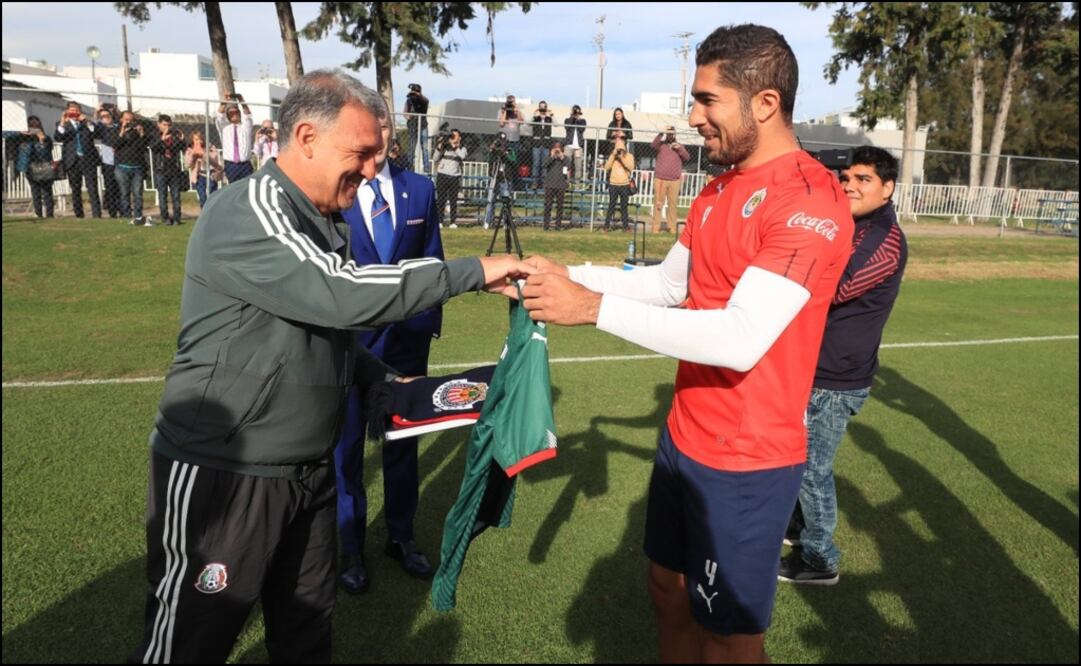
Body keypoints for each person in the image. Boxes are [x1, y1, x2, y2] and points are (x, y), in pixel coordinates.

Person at [128, 69, 532, 664]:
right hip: (226, 471)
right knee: (190, 642)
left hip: (308, 476)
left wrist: (380, 381)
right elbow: (339, 293)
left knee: (306, 636)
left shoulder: (324, 220)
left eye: (377, 155)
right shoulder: (251, 209)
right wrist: (476, 270)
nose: (372, 169)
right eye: (361, 152)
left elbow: (324, 328)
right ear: (307, 137)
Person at [520, 24, 854, 663]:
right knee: (667, 590)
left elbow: (740, 337)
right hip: (685, 436)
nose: (692, 116)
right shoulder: (718, 189)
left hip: (747, 459)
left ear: (765, 104)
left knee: (727, 636)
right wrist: (565, 275)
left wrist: (590, 308)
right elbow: (672, 285)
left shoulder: (811, 198)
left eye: (707, 100)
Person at [778, 146, 907, 586]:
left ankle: (821, 560)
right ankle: (799, 530)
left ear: (888, 189)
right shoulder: (849, 224)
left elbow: (835, 287)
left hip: (838, 377)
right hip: (815, 367)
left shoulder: (883, 239)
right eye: (847, 177)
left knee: (813, 466)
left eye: (864, 180)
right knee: (800, 457)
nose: (850, 185)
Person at [335, 114, 445, 594]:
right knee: (346, 451)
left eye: (384, 128)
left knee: (403, 447)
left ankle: (400, 536)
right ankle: (349, 546)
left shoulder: (419, 189)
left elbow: (432, 259)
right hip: (349, 345)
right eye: (368, 130)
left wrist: (426, 324)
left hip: (405, 346)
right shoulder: (335, 191)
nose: (377, 141)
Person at [53, 101, 102, 219]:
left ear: (80, 112)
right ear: (67, 112)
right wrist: (62, 122)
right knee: (75, 189)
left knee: (92, 188)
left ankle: (96, 215)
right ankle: (79, 214)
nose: (74, 113)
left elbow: (96, 134)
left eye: (77, 111)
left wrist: (87, 121)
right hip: (72, 161)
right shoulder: (62, 124)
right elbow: (58, 137)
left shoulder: (86, 123)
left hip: (88, 159)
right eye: (72, 111)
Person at [4, 116, 55, 218]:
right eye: (31, 125)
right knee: (35, 190)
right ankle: (38, 213)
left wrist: (42, 139)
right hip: (30, 166)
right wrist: (20, 132)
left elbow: (46, 152)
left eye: (36, 125)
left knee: (46, 191)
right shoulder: (21, 137)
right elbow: (5, 135)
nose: (33, 128)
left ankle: (50, 214)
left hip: (44, 166)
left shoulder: (46, 138)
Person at [651, 125, 690, 234]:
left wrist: (680, 148)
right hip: (661, 179)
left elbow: (687, 157)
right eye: (668, 133)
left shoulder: (679, 146)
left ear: (675, 134)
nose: (670, 135)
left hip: (675, 180)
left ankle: (672, 228)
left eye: (672, 133)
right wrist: (661, 132)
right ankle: (655, 228)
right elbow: (653, 145)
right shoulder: (661, 145)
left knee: (672, 205)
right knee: (658, 204)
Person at [114, 111, 150, 226]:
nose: (129, 122)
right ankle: (126, 215)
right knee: (124, 193)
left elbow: (143, 147)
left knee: (138, 193)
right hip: (122, 167)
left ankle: (138, 216)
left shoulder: (136, 131)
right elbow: (115, 145)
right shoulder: (116, 130)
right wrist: (122, 131)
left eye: (131, 120)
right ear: (121, 120)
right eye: (126, 119)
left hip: (136, 167)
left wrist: (141, 133)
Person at [149, 114, 186, 226]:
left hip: (173, 169)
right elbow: (153, 148)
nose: (167, 127)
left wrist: (182, 140)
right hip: (161, 169)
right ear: (159, 124)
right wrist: (162, 138)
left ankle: (177, 218)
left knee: (176, 195)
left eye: (169, 125)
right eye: (164, 125)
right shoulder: (155, 135)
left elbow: (183, 148)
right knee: (162, 196)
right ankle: (165, 218)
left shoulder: (174, 135)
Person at [215, 93, 254, 183]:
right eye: (231, 113)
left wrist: (241, 100)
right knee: (234, 188)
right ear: (228, 116)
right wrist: (224, 101)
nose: (234, 114)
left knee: (247, 188)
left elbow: (248, 116)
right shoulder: (224, 128)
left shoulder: (245, 127)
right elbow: (219, 116)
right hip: (231, 165)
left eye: (236, 112)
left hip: (245, 165)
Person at [433, 128, 467, 227]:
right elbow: (435, 158)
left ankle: (452, 221)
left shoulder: (462, 148)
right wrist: (439, 145)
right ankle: (440, 221)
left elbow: (462, 156)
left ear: (459, 138)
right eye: (451, 136)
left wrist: (454, 146)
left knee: (453, 200)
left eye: (455, 136)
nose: (453, 137)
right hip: (442, 175)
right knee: (441, 199)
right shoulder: (444, 146)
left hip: (454, 176)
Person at [95, 105, 123, 218]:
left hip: (120, 160)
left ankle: (123, 209)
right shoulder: (101, 129)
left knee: (121, 186)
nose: (105, 118)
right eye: (103, 116)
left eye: (107, 115)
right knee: (110, 186)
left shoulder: (118, 126)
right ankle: (112, 212)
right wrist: (97, 112)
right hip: (108, 161)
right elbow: (94, 127)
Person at [185, 130, 223, 209]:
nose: (199, 141)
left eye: (200, 139)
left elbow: (214, 161)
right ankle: (204, 213)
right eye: (196, 139)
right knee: (202, 197)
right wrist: (194, 156)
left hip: (211, 174)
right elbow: (188, 165)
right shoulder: (190, 150)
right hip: (199, 175)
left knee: (212, 196)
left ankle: (212, 213)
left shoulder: (210, 147)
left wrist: (203, 154)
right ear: (192, 140)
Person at [603, 137, 635, 232]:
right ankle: (606, 226)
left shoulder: (629, 156)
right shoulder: (613, 156)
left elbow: (631, 167)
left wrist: (622, 159)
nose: (620, 151)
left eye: (621, 149)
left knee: (624, 207)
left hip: (624, 185)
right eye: (618, 149)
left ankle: (625, 227)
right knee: (611, 206)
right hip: (613, 185)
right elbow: (606, 167)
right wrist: (613, 155)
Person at [497, 94, 524, 190]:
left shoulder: (517, 111)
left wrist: (517, 110)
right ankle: (503, 184)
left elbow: (521, 121)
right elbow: (501, 123)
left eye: (512, 102)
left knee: (514, 163)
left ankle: (513, 185)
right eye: (509, 102)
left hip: (515, 141)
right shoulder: (502, 111)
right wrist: (505, 111)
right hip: (505, 141)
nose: (510, 104)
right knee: (503, 163)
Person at [542, 142, 572, 231]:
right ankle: (546, 225)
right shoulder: (549, 157)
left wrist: (562, 157)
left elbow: (569, 166)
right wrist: (552, 156)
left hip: (560, 185)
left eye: (558, 148)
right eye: (555, 148)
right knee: (548, 205)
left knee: (559, 206)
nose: (557, 150)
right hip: (549, 185)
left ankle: (558, 225)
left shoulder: (565, 158)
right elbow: (544, 165)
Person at [404, 83, 431, 173]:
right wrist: (409, 116)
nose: (414, 95)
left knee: (425, 148)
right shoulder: (409, 100)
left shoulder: (424, 100)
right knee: (411, 147)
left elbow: (426, 101)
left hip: (423, 125)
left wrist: (419, 95)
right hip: (412, 125)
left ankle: (426, 167)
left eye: (416, 92)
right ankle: (409, 165)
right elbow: (405, 113)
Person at [530, 100, 554, 190]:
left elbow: (556, 124)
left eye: (544, 107)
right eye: (541, 107)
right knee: (536, 164)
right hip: (536, 144)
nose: (543, 109)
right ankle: (535, 183)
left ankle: (544, 183)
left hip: (546, 144)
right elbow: (528, 123)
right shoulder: (536, 118)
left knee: (545, 164)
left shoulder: (549, 118)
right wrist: (534, 113)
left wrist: (551, 114)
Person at [563, 104, 587, 182]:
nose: (576, 114)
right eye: (575, 112)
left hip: (578, 147)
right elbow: (567, 127)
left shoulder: (582, 121)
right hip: (569, 145)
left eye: (577, 112)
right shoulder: (567, 120)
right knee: (566, 164)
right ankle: (566, 181)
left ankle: (577, 183)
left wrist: (578, 119)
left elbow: (581, 129)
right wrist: (572, 117)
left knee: (578, 165)